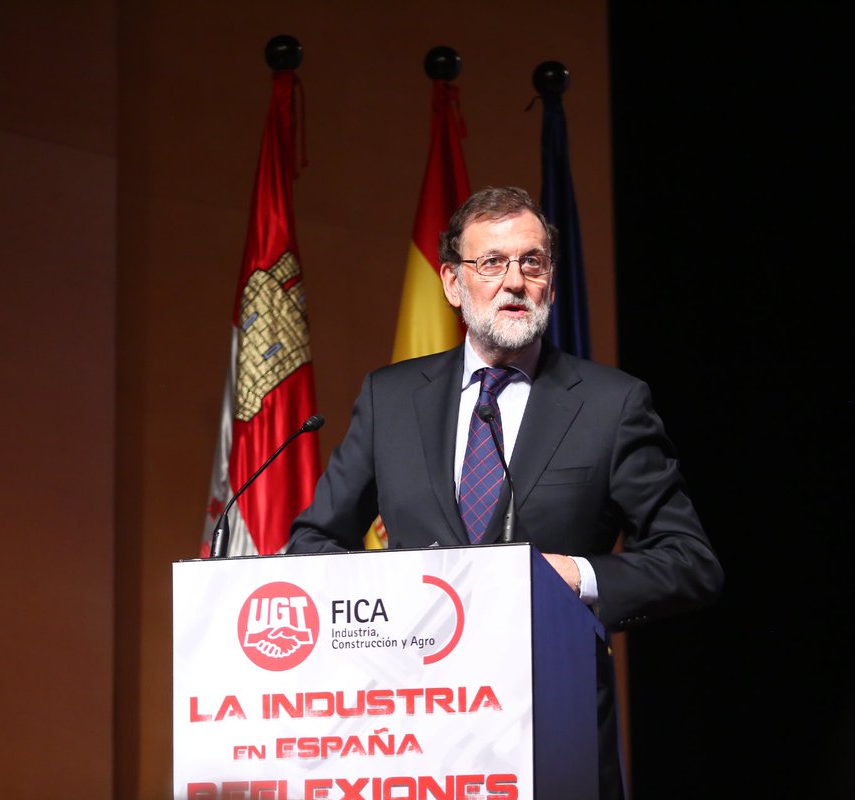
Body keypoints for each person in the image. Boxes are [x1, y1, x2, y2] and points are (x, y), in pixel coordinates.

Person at [288, 186, 723, 797]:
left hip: (554, 736)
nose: (514, 281)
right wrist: (390, 601)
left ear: (551, 282)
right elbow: (312, 543)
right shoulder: (391, 399)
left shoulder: (611, 405)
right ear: (452, 282)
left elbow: (690, 562)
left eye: (532, 263)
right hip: (413, 739)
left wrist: (576, 576)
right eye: (491, 262)